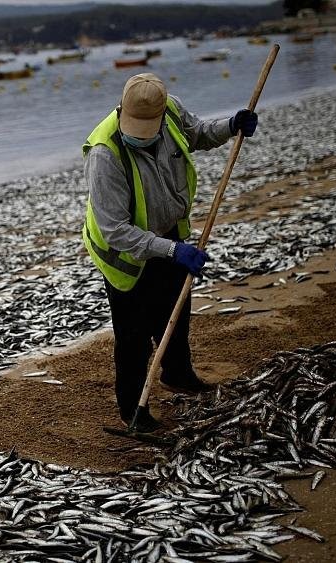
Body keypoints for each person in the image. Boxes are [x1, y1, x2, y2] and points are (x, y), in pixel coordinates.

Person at [81, 73, 258, 433]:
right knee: (133, 335)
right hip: (125, 256)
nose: (142, 135)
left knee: (176, 309)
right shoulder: (105, 155)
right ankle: (132, 409)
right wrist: (172, 250)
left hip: (169, 239)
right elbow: (116, 231)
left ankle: (177, 374)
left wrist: (231, 126)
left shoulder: (172, 111)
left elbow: (197, 135)